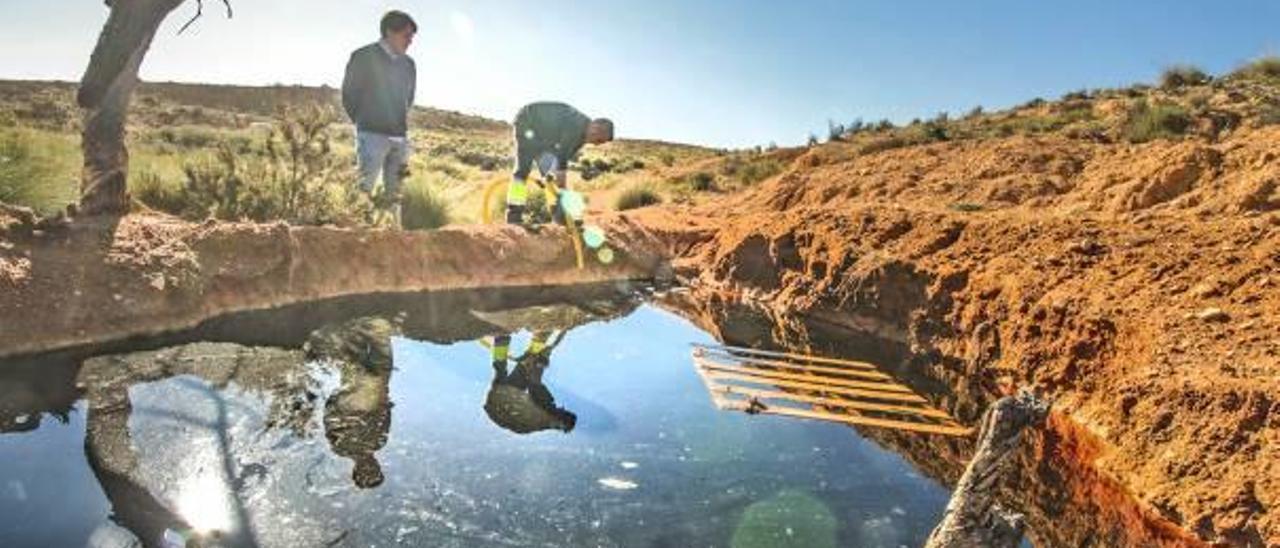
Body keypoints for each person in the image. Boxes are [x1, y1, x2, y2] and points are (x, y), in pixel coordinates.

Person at [342, 11, 419, 222]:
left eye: (412, 37)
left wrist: (398, 122)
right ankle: (353, 235)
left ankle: (393, 240)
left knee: (395, 197)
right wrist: (364, 122)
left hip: (400, 138)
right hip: (371, 135)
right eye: (406, 35)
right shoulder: (363, 56)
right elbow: (349, 95)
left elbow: (408, 99)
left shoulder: (409, 65)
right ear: (389, 32)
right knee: (363, 191)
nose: (410, 41)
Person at [506, 102, 614, 224]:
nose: (596, 144)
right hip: (527, 121)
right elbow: (561, 154)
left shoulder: (583, 135)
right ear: (595, 126)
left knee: (551, 180)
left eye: (600, 143)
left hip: (544, 135)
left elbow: (562, 159)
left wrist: (553, 177)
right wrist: (560, 180)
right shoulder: (576, 124)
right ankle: (513, 217)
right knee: (522, 171)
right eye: (599, 140)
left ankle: (561, 218)